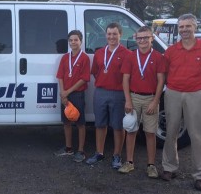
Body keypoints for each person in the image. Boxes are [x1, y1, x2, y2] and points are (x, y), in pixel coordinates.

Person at [161, 14, 201, 191]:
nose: (184, 30)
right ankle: (169, 168)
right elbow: (165, 73)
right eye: (182, 27)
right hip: (173, 94)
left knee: (198, 135)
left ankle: (200, 176)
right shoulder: (171, 51)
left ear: (195, 27)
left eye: (188, 26)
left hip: (196, 95)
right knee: (171, 132)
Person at [119, 26, 165, 178]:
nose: (143, 41)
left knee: (150, 133)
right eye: (139, 38)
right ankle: (129, 162)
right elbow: (125, 79)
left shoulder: (158, 57)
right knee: (131, 131)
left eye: (146, 37)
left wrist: (155, 101)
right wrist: (128, 100)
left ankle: (151, 165)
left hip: (151, 98)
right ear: (136, 39)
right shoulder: (131, 56)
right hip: (133, 97)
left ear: (152, 38)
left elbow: (161, 81)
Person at [86, 22, 132, 168]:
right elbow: (94, 71)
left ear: (120, 35)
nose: (111, 37)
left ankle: (116, 155)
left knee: (118, 126)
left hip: (118, 94)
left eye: (114, 34)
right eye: (109, 34)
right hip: (100, 92)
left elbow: (128, 76)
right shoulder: (99, 53)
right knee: (100, 124)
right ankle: (99, 152)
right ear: (106, 35)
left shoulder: (127, 54)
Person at [54, 30, 90, 162]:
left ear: (81, 41)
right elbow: (60, 76)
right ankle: (68, 148)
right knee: (66, 122)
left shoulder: (84, 58)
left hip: (77, 94)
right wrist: (63, 93)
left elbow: (84, 79)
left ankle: (81, 150)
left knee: (80, 123)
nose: (73, 42)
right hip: (65, 95)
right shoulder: (65, 58)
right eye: (71, 40)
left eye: (76, 40)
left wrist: (67, 92)